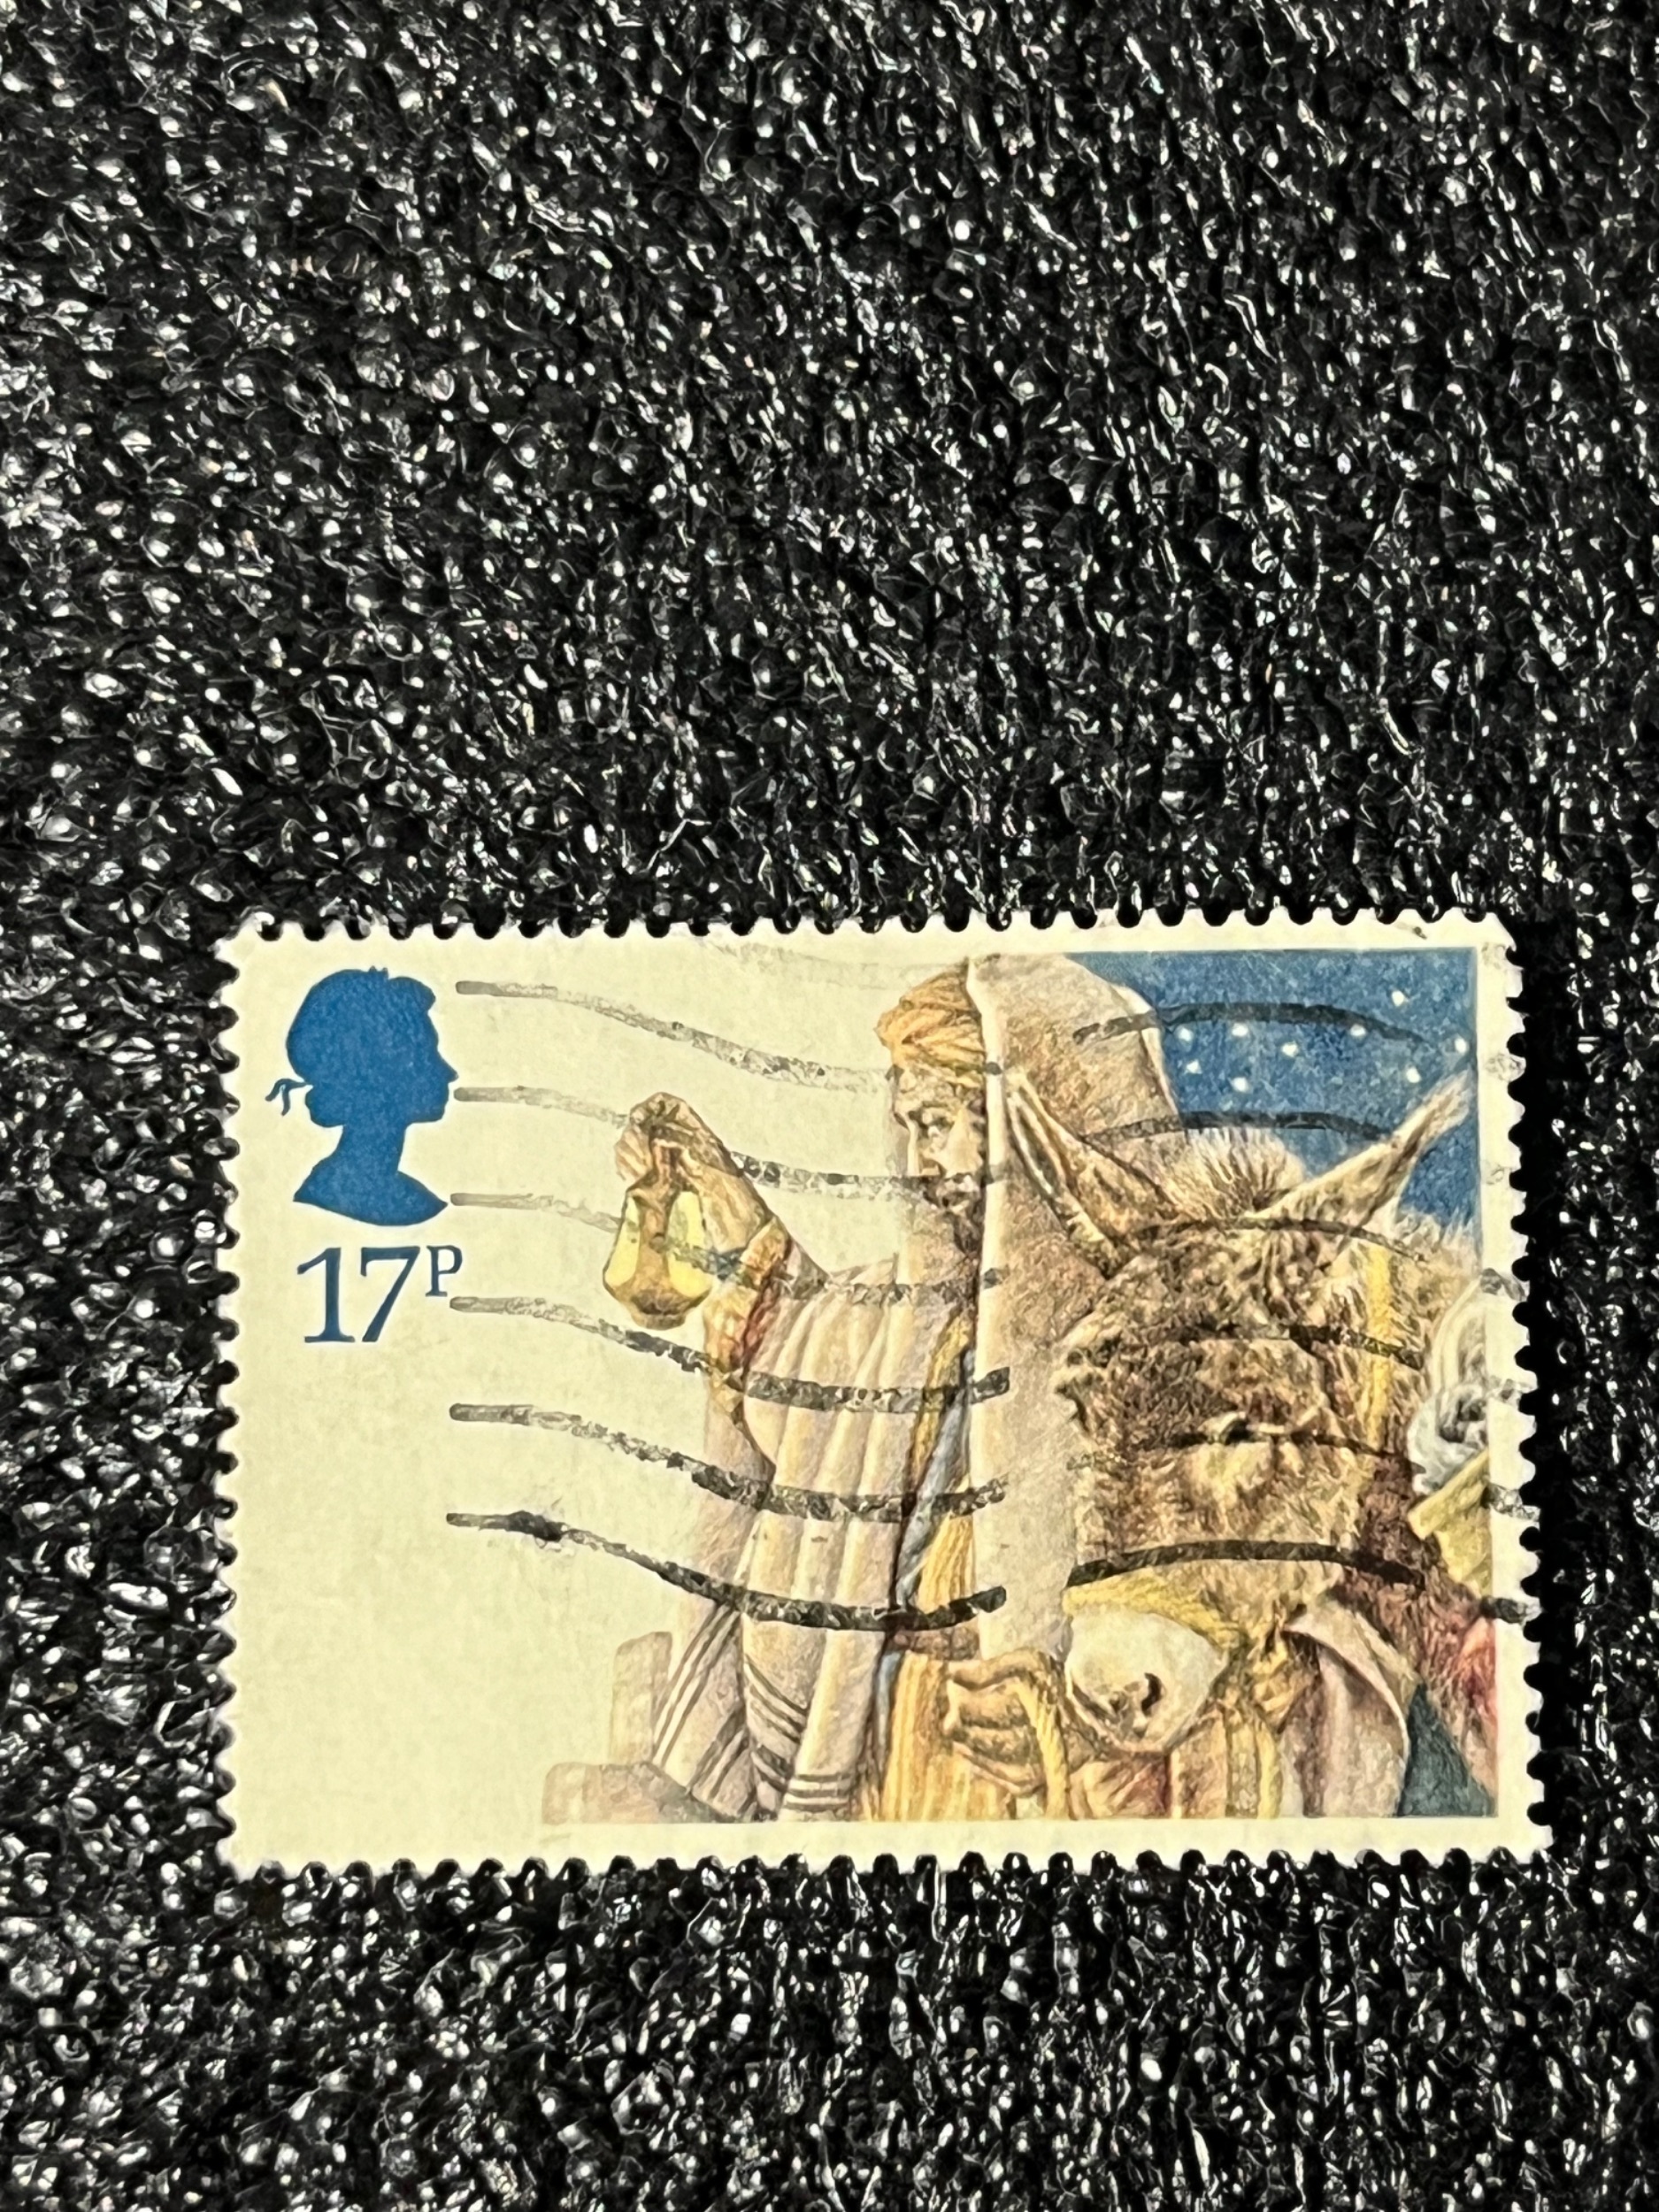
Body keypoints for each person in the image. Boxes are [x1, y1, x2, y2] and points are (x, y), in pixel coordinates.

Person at [610, 956, 1178, 1822]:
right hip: (889, 1747)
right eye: (908, 1126)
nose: (919, 1160)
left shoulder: (1153, 1341)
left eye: (939, 1124)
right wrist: (722, 1196)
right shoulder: (923, 1315)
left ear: (1025, 1124)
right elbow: (824, 1378)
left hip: (1034, 1783)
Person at [269, 968, 456, 1226]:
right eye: (425, 1055)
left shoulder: (409, 1196)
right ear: (377, 1074)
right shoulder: (334, 1198)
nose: (449, 1073)